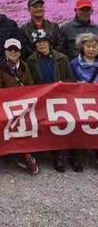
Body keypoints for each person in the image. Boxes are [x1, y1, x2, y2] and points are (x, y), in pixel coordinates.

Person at [26, 29, 81, 173]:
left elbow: (71, 78)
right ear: (34, 45)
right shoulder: (31, 60)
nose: (41, 44)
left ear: (49, 42)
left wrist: (62, 84)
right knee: (51, 126)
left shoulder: (61, 58)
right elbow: (31, 82)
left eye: (44, 41)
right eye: (38, 42)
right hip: (43, 99)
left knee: (66, 124)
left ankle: (73, 155)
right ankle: (58, 154)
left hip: (60, 97)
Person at [0, 38, 39, 175]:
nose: (13, 52)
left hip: (24, 104)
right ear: (5, 51)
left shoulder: (24, 65)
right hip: (7, 105)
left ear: (20, 52)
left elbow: (30, 84)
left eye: (15, 50)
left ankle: (26, 152)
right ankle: (24, 154)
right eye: (10, 49)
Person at [70, 33, 98, 168]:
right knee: (79, 125)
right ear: (82, 47)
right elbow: (70, 81)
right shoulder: (74, 63)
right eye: (88, 46)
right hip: (79, 100)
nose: (92, 49)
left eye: (94, 46)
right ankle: (77, 155)